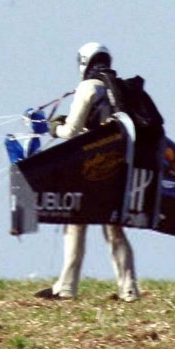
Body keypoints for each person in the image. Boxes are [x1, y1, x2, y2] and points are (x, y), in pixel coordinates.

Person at [34, 42, 141, 302]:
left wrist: (51, 128)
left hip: (92, 165)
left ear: (84, 62)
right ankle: (129, 290)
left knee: (75, 223)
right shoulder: (120, 88)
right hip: (122, 165)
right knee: (114, 229)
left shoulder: (87, 87)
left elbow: (71, 132)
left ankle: (67, 289)